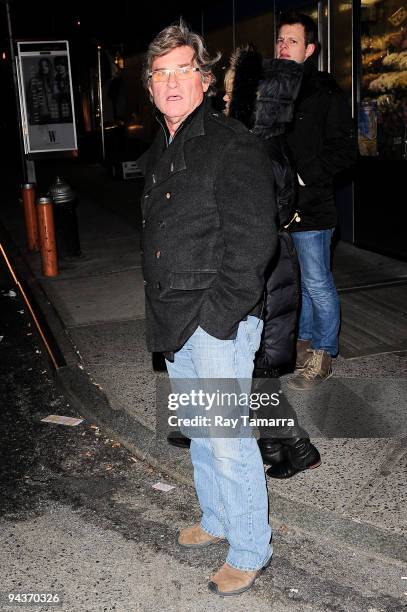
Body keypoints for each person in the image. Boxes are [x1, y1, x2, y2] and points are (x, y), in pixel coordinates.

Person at [137, 21, 276, 596]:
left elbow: (253, 243)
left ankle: (249, 547)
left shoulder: (230, 142)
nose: (171, 82)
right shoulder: (162, 149)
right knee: (199, 432)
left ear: (205, 78)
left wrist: (218, 319)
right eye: (160, 74)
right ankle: (217, 520)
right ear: (150, 87)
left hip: (215, 319)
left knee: (227, 437)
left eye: (182, 70)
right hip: (175, 317)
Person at [224, 46, 321, 478]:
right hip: (272, 266)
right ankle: (279, 451)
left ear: (251, 102)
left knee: (253, 370)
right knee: (258, 371)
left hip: (261, 273)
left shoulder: (253, 151)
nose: (224, 102)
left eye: (230, 95)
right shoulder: (269, 145)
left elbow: (252, 220)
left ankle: (296, 445)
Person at [276, 13, 356, 390]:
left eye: (291, 41)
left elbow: (345, 150)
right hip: (279, 207)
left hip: (313, 206)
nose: (282, 46)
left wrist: (305, 176)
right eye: (279, 40)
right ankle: (304, 345)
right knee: (296, 284)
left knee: (318, 283)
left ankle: (323, 354)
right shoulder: (271, 91)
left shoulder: (326, 93)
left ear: (310, 49)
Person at [26, 58, 59, 125]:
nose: (44, 68)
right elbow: (30, 99)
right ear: (39, 67)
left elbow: (57, 97)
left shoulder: (55, 80)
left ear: (49, 67)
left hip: (54, 115)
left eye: (46, 66)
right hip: (40, 115)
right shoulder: (34, 80)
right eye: (42, 66)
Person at [53, 57, 73, 122]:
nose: (60, 67)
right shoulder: (56, 79)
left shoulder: (70, 77)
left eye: (62, 65)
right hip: (61, 113)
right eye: (58, 65)